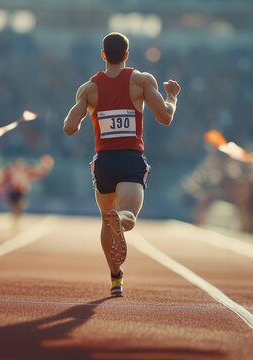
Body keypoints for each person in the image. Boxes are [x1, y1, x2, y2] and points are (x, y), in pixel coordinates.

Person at [63, 32, 181, 297]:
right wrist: (172, 96)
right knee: (128, 215)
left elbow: (69, 127)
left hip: (103, 162)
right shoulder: (141, 80)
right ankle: (124, 218)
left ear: (103, 55)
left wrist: (87, 113)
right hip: (129, 159)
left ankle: (115, 277)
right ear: (126, 55)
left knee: (106, 221)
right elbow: (165, 117)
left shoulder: (89, 88)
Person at [2, 156, 53, 231]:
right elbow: (5, 178)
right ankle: (15, 220)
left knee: (20, 207)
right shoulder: (12, 171)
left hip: (22, 192)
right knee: (13, 207)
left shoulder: (26, 171)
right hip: (13, 191)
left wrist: (45, 168)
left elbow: (38, 174)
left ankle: (17, 220)